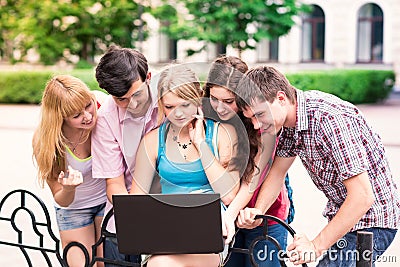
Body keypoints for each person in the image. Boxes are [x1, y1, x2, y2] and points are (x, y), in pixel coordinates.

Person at [235, 65, 400, 266]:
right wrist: (258, 212)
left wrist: (315, 246)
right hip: (344, 218)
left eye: (259, 115)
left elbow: (363, 197)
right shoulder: (288, 124)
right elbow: (277, 174)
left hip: (373, 220)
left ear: (280, 98)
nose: (256, 125)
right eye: (250, 118)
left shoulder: (329, 119)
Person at [130, 64, 242, 267]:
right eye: (170, 107)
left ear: (198, 98)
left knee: (161, 265)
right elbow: (135, 201)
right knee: (161, 263)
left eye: (185, 105)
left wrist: (201, 144)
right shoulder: (153, 140)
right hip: (169, 232)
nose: (178, 114)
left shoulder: (222, 133)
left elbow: (229, 195)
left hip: (210, 234)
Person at [203, 56, 293, 267]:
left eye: (228, 102)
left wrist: (233, 213)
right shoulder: (207, 116)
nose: (220, 107)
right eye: (214, 98)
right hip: (229, 214)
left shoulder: (262, 123)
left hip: (265, 214)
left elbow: (251, 181)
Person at [92, 46, 160, 266]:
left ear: (148, 77)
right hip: (124, 218)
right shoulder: (105, 119)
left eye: (136, 94)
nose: (132, 104)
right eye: (121, 99)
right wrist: (135, 212)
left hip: (173, 212)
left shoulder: (171, 101)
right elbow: (114, 183)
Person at [32, 75, 107, 267]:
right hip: (73, 209)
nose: (88, 116)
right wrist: (69, 188)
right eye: (76, 116)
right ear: (60, 117)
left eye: (88, 105)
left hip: (107, 201)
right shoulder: (47, 142)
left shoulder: (101, 103)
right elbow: (60, 197)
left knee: (107, 264)